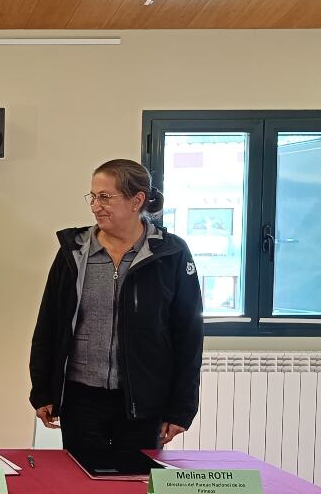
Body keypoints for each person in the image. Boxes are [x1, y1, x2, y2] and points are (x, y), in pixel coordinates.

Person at [29, 158, 203, 452]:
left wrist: (181, 408)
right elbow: (48, 324)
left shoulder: (171, 253)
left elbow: (188, 334)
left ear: (136, 201)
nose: (96, 206)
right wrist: (43, 390)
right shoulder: (74, 251)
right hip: (80, 399)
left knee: (134, 489)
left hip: (144, 400)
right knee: (83, 488)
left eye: (105, 197)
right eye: (93, 197)